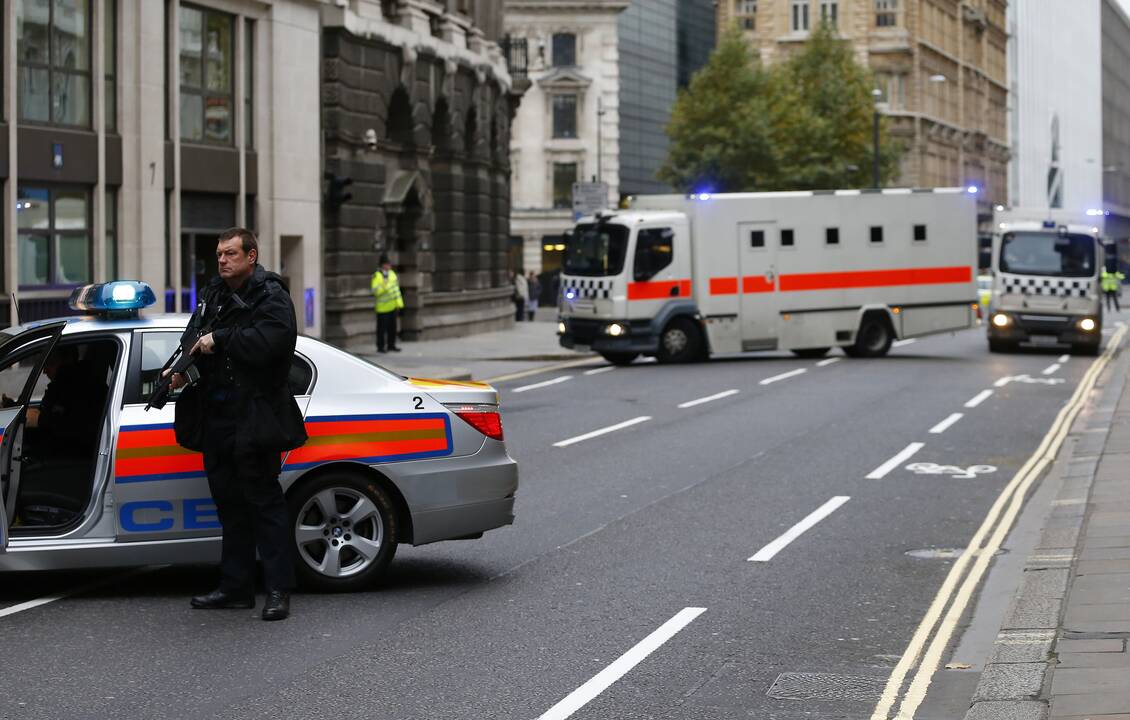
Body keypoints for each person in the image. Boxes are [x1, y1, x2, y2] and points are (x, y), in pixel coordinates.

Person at [168, 227, 308, 621]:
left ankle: (279, 589)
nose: (223, 261)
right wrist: (179, 368)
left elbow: (272, 343)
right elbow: (193, 335)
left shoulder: (271, 294)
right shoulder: (213, 293)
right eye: (219, 255)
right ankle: (235, 587)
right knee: (229, 505)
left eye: (230, 254)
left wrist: (223, 338)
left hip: (256, 416)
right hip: (218, 417)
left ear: (251, 255)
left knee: (265, 503)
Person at [371, 255, 404, 352]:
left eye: (389, 264)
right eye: (387, 264)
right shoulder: (377, 275)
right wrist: (384, 285)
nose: (389, 266)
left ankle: (391, 345)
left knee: (392, 328)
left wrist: (399, 304)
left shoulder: (392, 274)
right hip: (382, 307)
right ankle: (380, 347)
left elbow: (396, 290)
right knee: (381, 329)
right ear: (382, 265)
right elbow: (375, 291)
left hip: (393, 306)